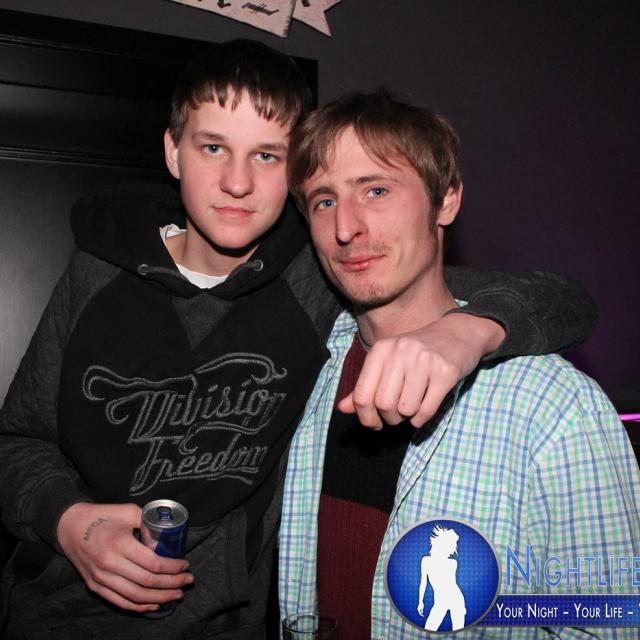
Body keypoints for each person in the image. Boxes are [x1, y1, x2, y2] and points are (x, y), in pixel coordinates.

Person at [0, 41, 596, 640]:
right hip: (55, 618)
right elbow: (18, 440)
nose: (236, 182)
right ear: (173, 152)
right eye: (213, 147)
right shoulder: (98, 272)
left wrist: (467, 330)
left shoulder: (319, 272)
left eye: (266, 155)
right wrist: (68, 521)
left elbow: (558, 298)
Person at [278, 90, 640, 639]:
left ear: (446, 201)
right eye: (324, 201)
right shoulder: (305, 367)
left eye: (376, 190)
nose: (346, 228)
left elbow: (606, 620)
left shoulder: (555, 408)